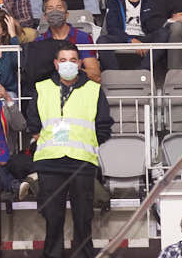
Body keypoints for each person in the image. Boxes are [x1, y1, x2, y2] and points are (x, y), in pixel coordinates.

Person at [28, 41, 112, 258]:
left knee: (83, 218)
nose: (68, 64)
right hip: (50, 162)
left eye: (73, 60)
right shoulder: (42, 88)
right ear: (56, 64)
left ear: (80, 63)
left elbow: (104, 124)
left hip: (81, 162)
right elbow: (33, 123)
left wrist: (90, 142)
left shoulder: (94, 90)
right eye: (63, 60)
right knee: (53, 218)